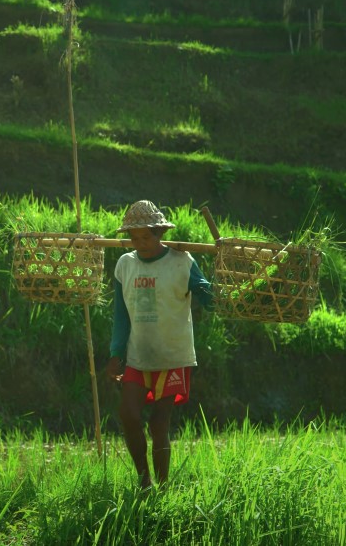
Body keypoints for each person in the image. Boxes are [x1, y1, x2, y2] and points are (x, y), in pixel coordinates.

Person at [105, 200, 213, 490]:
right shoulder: (125, 265)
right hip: (139, 355)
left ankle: (163, 487)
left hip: (173, 356)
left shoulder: (181, 262)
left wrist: (216, 291)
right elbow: (121, 315)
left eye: (146, 237)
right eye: (134, 237)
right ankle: (144, 481)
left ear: (160, 233)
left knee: (158, 423)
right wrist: (116, 352)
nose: (140, 243)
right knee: (128, 414)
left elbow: (209, 299)